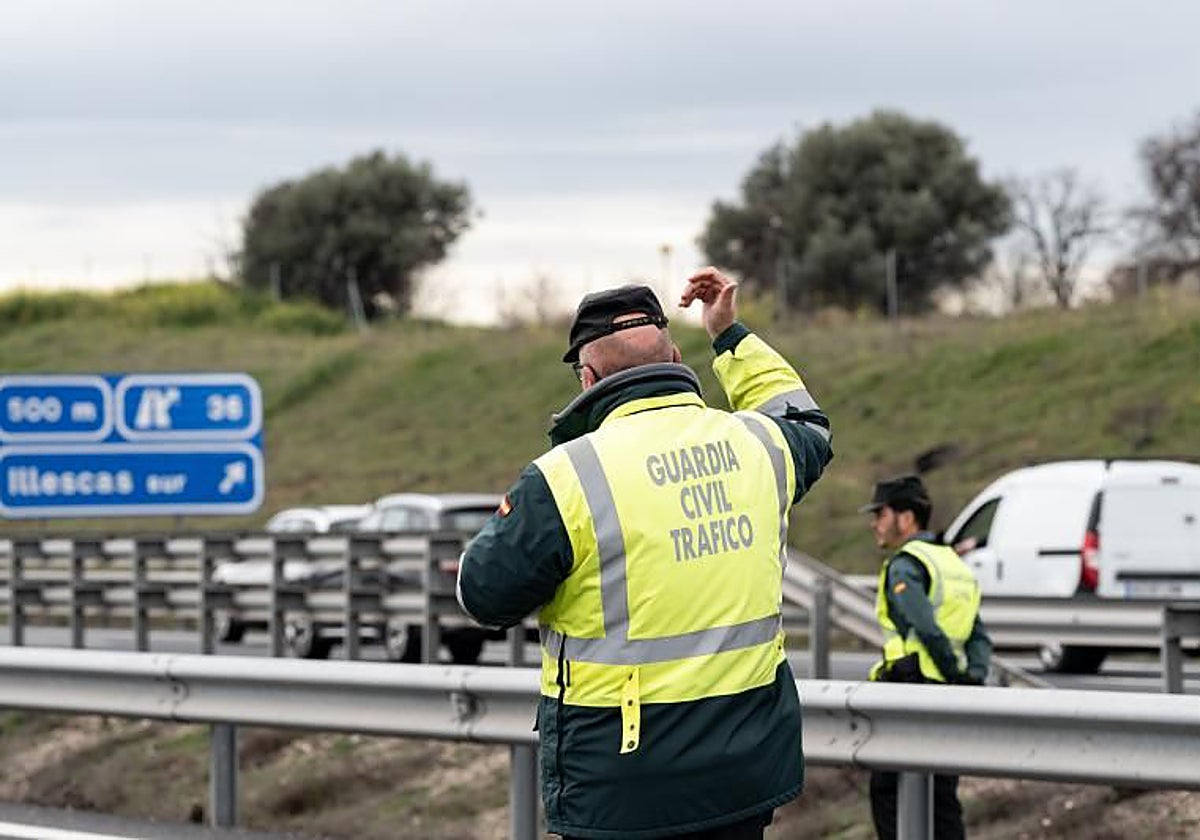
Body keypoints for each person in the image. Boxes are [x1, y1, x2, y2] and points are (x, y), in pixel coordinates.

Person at [457, 267, 833, 840]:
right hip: (744, 775)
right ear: (675, 355)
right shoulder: (760, 446)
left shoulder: (568, 477)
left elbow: (483, 593)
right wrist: (730, 336)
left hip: (622, 781)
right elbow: (805, 420)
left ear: (587, 379)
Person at [861, 474, 992, 840]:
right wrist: (970, 677)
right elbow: (979, 635)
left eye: (881, 513)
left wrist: (948, 671)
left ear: (906, 518)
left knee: (888, 792)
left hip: (910, 688)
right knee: (942, 797)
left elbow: (927, 627)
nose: (874, 523)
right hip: (948, 694)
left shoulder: (905, 565)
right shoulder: (951, 563)